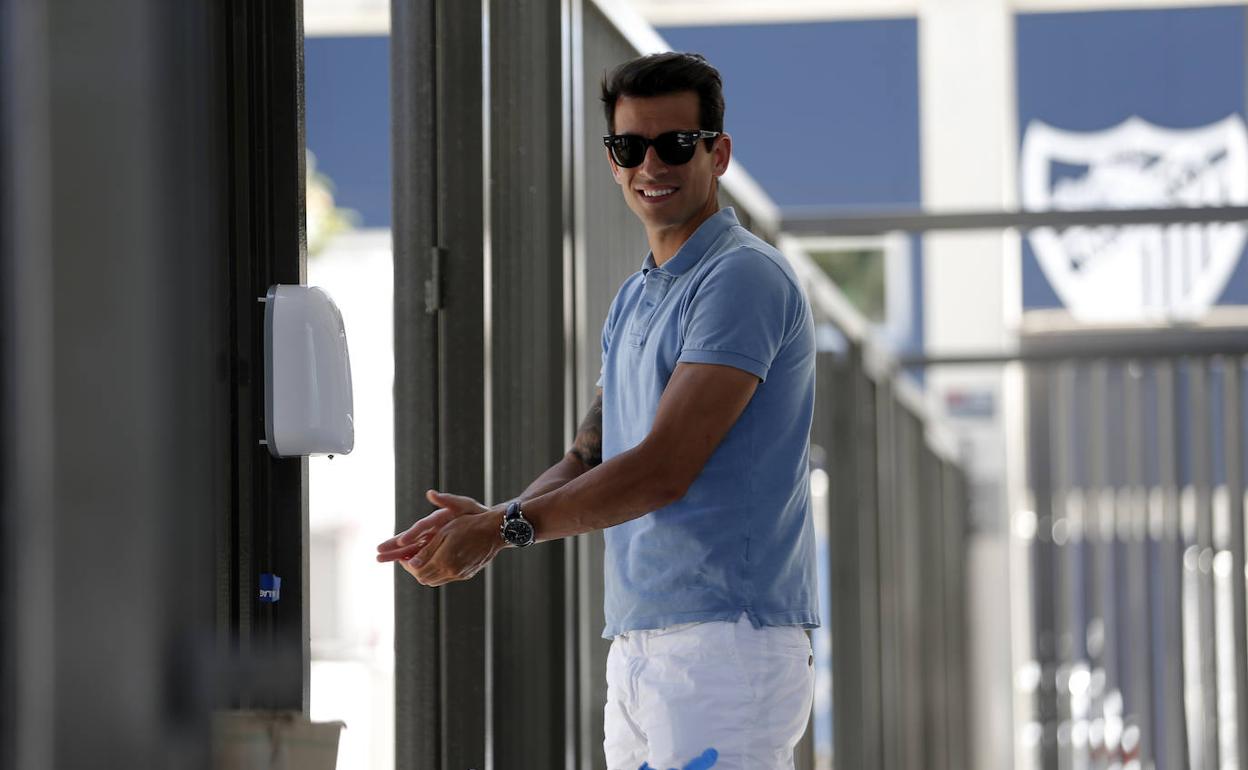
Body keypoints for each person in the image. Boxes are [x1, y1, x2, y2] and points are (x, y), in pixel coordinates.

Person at [376, 51, 818, 770]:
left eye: (676, 144)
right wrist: (491, 516)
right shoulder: (636, 297)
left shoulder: (740, 278)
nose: (652, 164)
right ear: (612, 160)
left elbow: (662, 471)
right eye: (629, 146)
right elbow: (592, 455)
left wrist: (503, 529)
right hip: (645, 639)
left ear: (719, 153)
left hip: (724, 644)